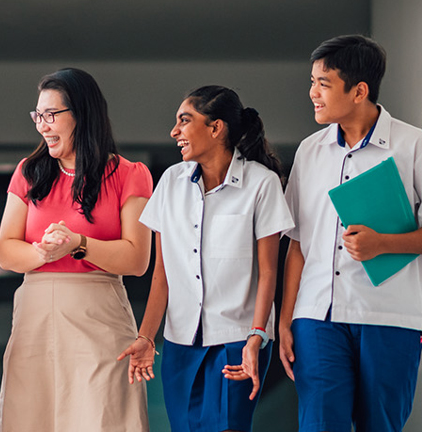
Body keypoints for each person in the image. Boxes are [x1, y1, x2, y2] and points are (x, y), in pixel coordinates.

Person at [118, 85, 294, 432]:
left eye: (185, 121)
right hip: (181, 344)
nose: (174, 132)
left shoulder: (262, 184)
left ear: (216, 128)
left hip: (237, 341)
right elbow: (162, 275)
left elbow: (269, 271)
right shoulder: (169, 182)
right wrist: (146, 337)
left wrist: (256, 338)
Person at [0, 68, 153, 431]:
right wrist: (42, 254)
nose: (42, 125)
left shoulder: (130, 174)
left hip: (99, 317)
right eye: (38, 116)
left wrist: (78, 244)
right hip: (35, 317)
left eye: (51, 115)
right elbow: (5, 250)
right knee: (31, 418)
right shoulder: (29, 171)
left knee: (102, 416)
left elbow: (136, 259)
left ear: (82, 114)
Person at [279, 34, 422, 432]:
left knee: (381, 425)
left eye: (323, 83)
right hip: (316, 317)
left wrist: (384, 244)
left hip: (390, 316)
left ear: (359, 90)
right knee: (320, 425)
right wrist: (287, 318)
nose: (312, 93)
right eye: (312, 82)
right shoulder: (310, 151)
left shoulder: (413, 146)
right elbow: (297, 244)